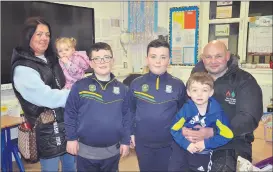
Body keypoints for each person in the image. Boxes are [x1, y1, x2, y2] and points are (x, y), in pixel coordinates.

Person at [183, 40, 263, 171]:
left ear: (227, 56)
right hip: (197, 139)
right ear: (203, 59)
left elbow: (248, 118)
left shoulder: (244, 81)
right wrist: (186, 129)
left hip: (232, 143)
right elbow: (185, 108)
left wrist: (212, 132)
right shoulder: (195, 79)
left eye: (218, 56)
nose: (213, 61)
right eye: (208, 57)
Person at [11, 16, 75, 172]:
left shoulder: (51, 60)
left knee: (71, 167)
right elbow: (46, 97)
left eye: (47, 34)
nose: (44, 38)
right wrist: (76, 95)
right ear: (28, 36)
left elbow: (62, 84)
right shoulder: (23, 67)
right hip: (46, 130)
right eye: (39, 34)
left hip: (65, 125)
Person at [64, 42, 130, 172]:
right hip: (85, 152)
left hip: (112, 152)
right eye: (97, 59)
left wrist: (126, 141)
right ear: (91, 63)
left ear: (112, 61)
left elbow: (127, 117)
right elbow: (70, 113)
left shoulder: (123, 90)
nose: (102, 62)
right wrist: (71, 138)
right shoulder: (79, 87)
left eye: (106, 57)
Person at [128, 39, 186, 171]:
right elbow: (130, 110)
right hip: (143, 144)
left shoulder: (178, 85)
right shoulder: (136, 84)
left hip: (170, 144)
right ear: (147, 59)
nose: (158, 61)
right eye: (153, 57)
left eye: (163, 57)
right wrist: (130, 133)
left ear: (169, 60)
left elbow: (184, 113)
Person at [169, 72, 234, 172]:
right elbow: (174, 129)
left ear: (211, 92)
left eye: (204, 90)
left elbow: (228, 135)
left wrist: (206, 144)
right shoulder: (186, 110)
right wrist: (186, 144)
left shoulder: (217, 112)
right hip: (183, 148)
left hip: (203, 152)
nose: (199, 94)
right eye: (195, 90)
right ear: (189, 92)